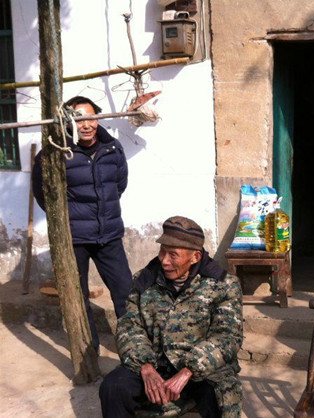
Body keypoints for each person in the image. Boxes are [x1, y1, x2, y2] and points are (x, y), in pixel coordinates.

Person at [99, 216, 243, 418]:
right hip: (157, 365)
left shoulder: (223, 285)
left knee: (222, 394)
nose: (164, 260)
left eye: (173, 255)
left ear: (195, 257)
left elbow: (227, 336)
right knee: (113, 386)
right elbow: (129, 326)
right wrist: (145, 367)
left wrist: (189, 370)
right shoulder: (144, 280)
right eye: (162, 251)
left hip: (202, 370)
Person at [32, 96, 132, 352]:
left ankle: (133, 349)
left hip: (109, 235)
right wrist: (69, 218)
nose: (86, 125)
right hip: (75, 239)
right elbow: (44, 194)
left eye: (90, 118)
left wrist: (103, 212)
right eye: (78, 119)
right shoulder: (56, 152)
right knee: (78, 297)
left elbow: (119, 185)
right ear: (68, 122)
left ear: (97, 119)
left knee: (126, 292)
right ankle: (89, 352)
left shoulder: (113, 148)